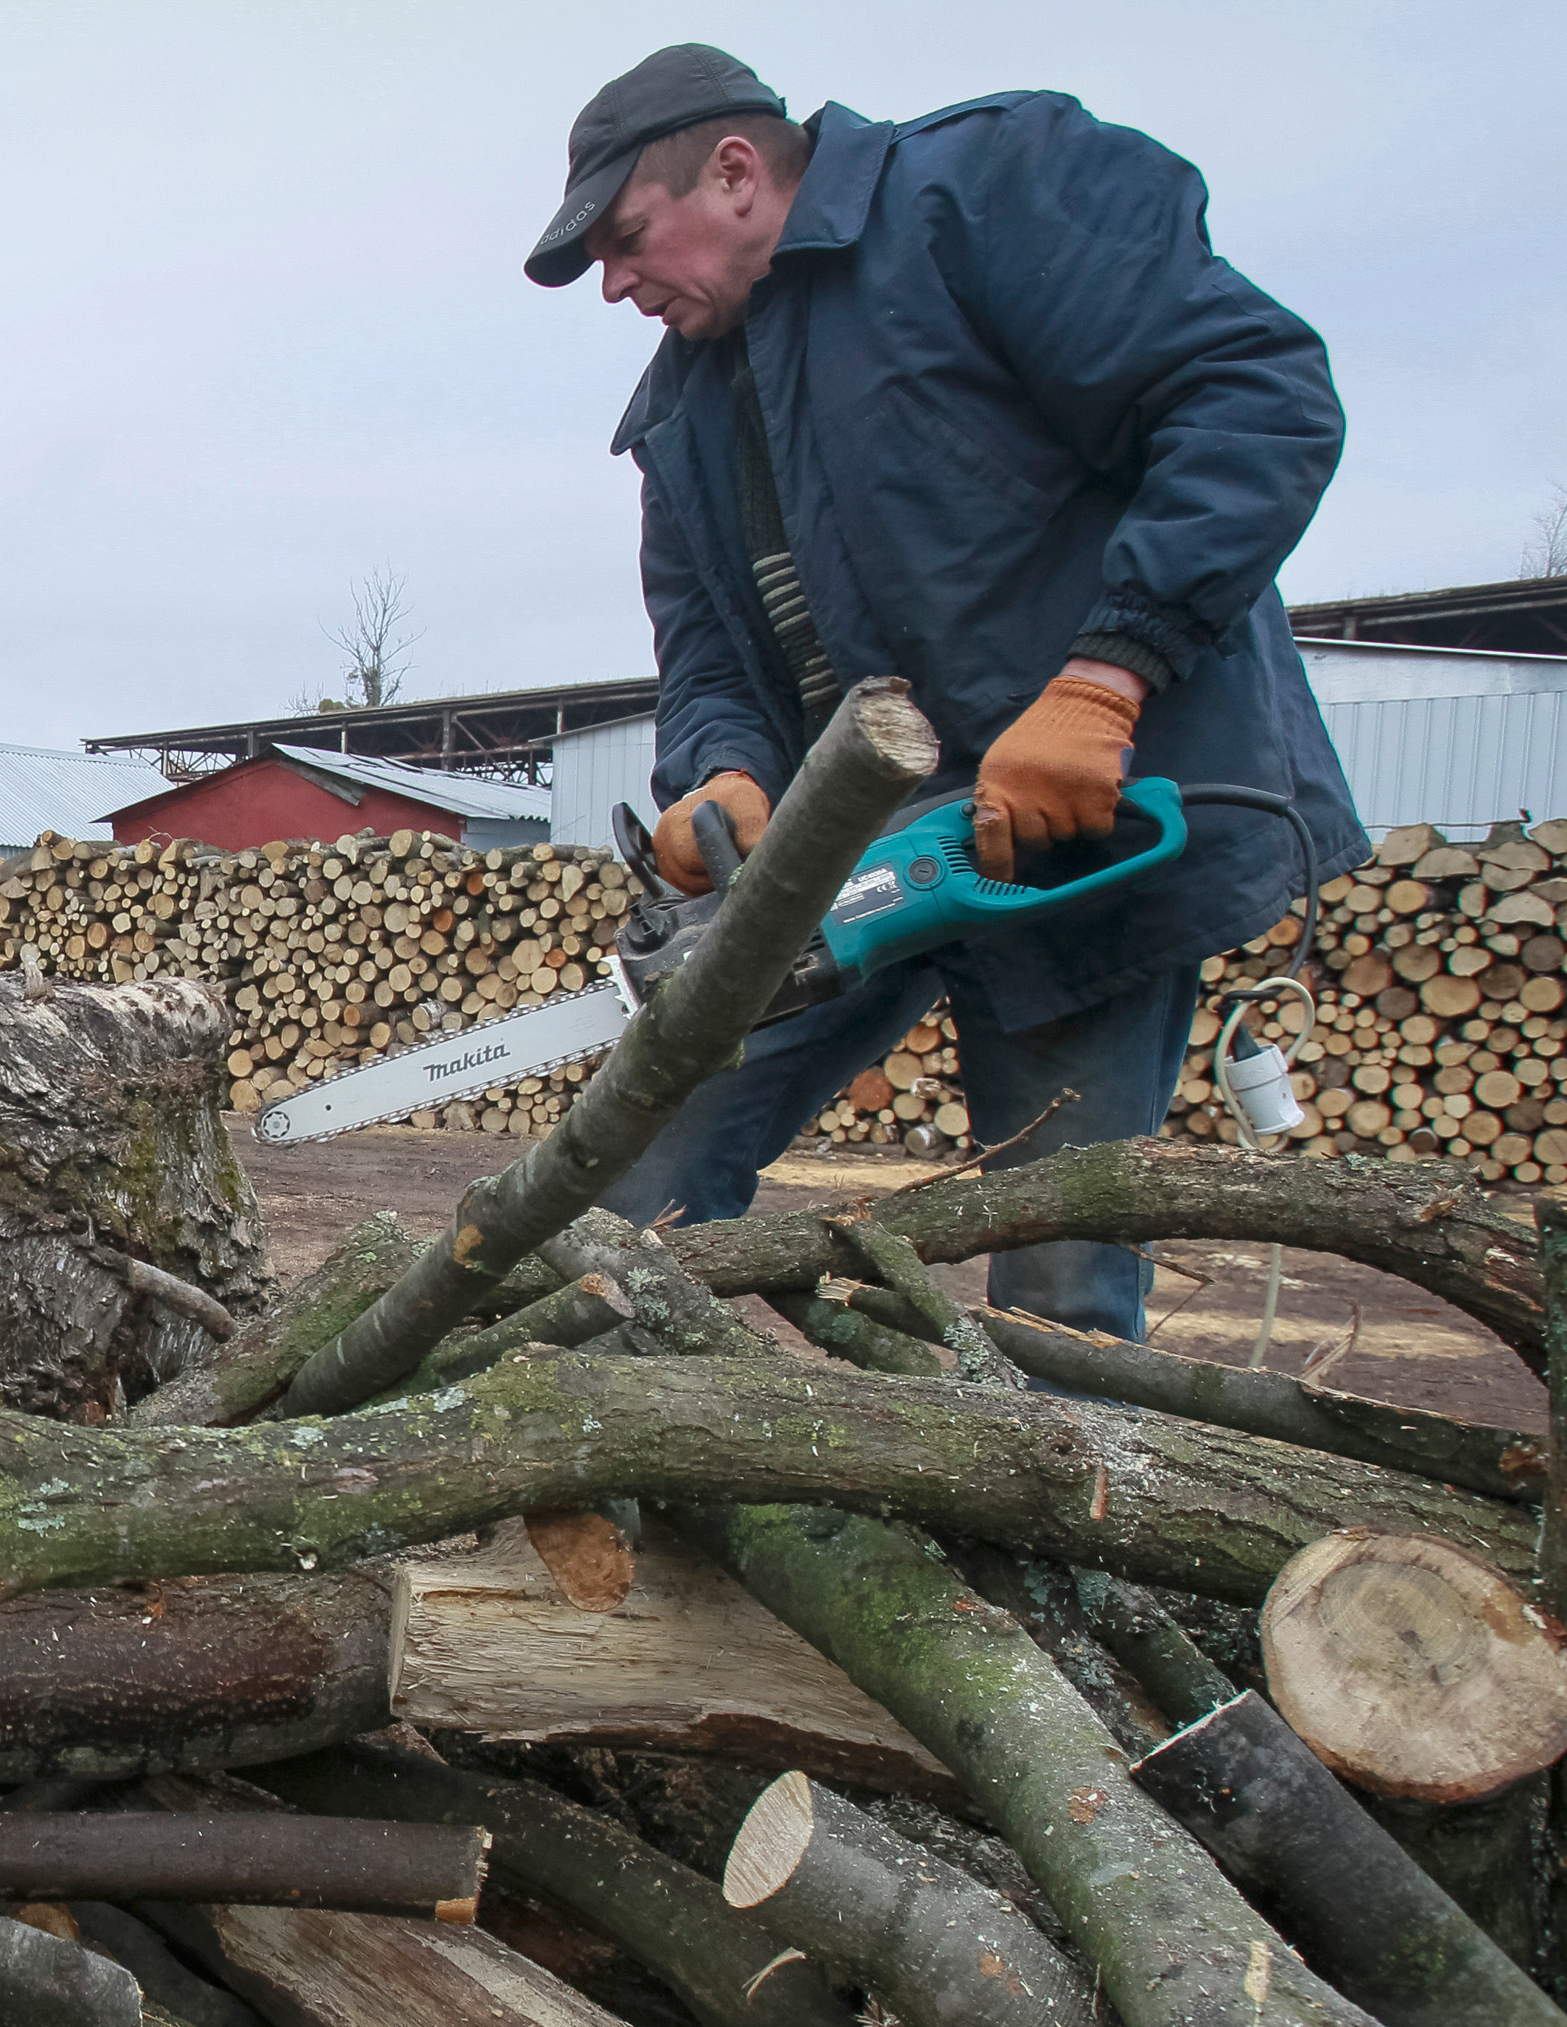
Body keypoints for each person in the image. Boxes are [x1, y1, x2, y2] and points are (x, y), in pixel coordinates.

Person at [526, 45, 1363, 1340]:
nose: (619, 286)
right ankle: (623, 1489)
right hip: (843, 845)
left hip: (1070, 828)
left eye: (629, 241)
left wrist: (1107, 678)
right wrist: (721, 772)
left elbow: (1256, 397)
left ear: (737, 172)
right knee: (633, 1199)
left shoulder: (981, 194)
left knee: (1060, 1277)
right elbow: (699, 639)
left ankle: (1051, 1537)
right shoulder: (681, 408)